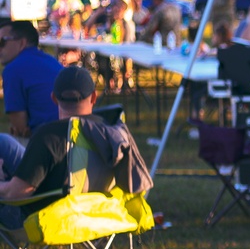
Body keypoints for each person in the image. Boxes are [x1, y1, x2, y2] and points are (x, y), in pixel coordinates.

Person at [0, 66, 152, 230]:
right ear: (93, 97)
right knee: (4, 142)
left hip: (44, 215)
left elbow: (16, 194)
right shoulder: (110, 131)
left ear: (54, 98)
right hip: (95, 209)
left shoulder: (49, 136)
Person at [0, 21, 62, 139]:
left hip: (44, 142)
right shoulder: (52, 61)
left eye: (2, 42)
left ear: (22, 42)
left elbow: (20, 128)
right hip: (71, 137)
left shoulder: (13, 70)